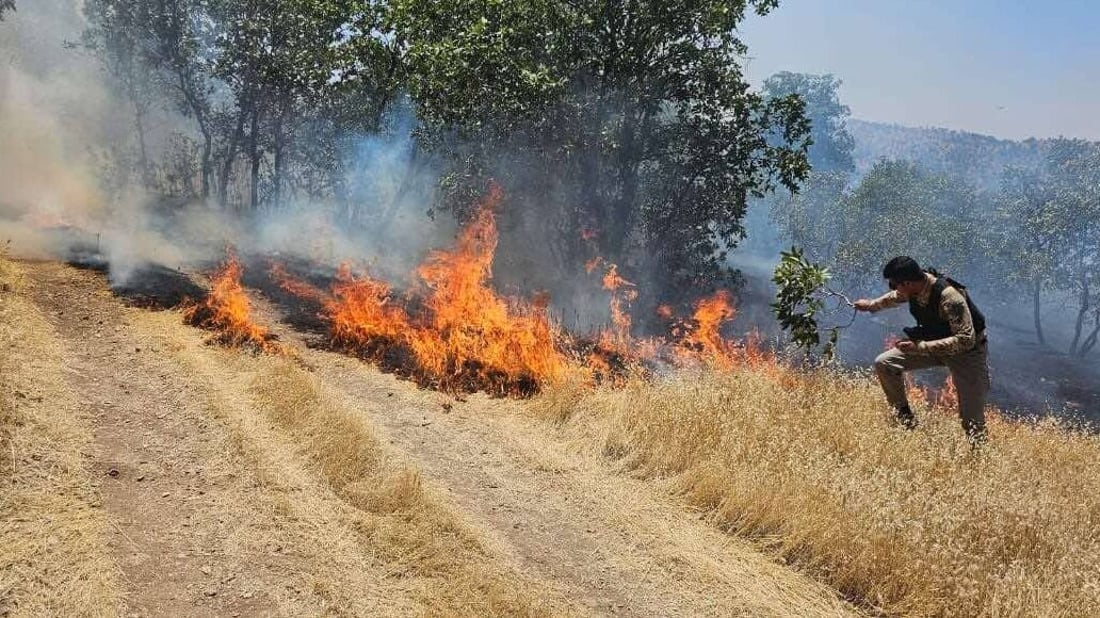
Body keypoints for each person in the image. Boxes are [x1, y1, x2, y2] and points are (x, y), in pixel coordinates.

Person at [854, 256, 990, 445]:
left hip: (966, 354)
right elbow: (896, 297)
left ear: (907, 283)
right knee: (884, 363)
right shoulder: (913, 288)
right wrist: (870, 305)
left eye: (895, 285)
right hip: (931, 345)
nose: (894, 290)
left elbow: (966, 340)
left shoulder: (950, 298)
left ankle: (979, 458)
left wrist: (920, 347)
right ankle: (905, 420)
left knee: (972, 419)